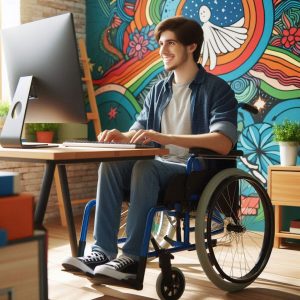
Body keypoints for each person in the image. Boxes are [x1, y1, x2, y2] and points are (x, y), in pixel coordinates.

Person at [62, 16, 238, 281]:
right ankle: (102, 252)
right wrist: (121, 136)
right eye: (160, 44)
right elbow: (140, 131)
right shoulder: (159, 90)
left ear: (192, 47)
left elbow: (223, 142)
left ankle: (132, 258)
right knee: (110, 164)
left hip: (195, 170)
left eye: (170, 44)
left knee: (146, 166)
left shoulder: (216, 89)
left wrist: (165, 136)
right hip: (160, 166)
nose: (162, 51)